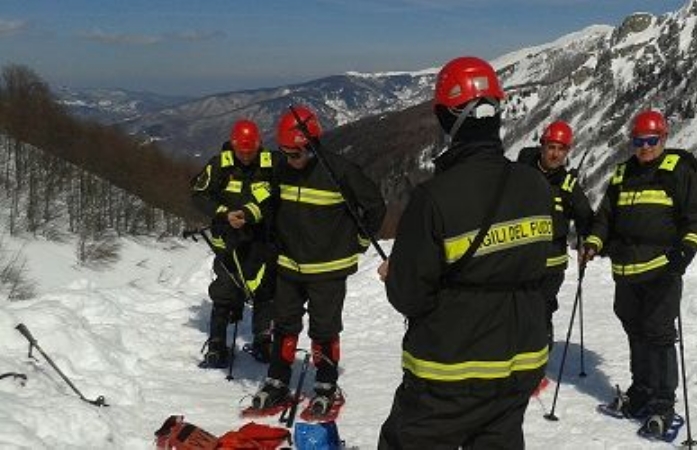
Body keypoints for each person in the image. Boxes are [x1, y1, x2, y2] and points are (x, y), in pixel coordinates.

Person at [377, 56, 554, 449]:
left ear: (447, 119)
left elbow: (410, 296)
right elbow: (531, 265)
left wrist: (398, 272)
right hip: (521, 361)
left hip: (451, 370)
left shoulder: (434, 198)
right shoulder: (536, 186)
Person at [581, 109, 697, 438]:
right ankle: (642, 390)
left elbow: (695, 218)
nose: (645, 147)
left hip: (661, 269)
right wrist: (594, 242)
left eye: (651, 141)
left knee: (659, 334)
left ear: (663, 138)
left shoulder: (677, 171)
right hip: (625, 270)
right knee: (635, 329)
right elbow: (605, 216)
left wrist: (685, 251)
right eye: (639, 141)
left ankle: (663, 404)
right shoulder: (622, 173)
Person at [251, 106, 386, 418]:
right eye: (284, 152)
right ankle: (277, 380)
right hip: (288, 266)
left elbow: (375, 207)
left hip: (328, 269)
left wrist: (359, 243)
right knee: (284, 325)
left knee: (323, 329)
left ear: (311, 146)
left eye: (295, 152)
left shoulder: (340, 172)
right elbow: (269, 202)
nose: (289, 158)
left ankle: (325, 385)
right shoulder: (282, 169)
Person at [190, 119, 277, 368]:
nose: (247, 157)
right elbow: (198, 195)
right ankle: (217, 342)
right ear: (234, 146)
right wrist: (223, 213)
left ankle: (264, 338)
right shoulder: (219, 165)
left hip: (262, 238)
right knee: (226, 287)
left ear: (259, 145)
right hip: (228, 239)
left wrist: (254, 213)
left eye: (251, 151)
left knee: (265, 288)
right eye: (242, 151)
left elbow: (279, 193)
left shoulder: (270, 164)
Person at [516, 120, 593, 347]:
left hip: (551, 264)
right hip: (520, 258)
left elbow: (586, 219)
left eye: (561, 149)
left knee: (541, 313)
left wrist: (588, 243)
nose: (555, 154)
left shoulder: (568, 186)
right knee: (515, 311)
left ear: (567, 152)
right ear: (542, 146)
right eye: (551, 147)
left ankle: (537, 368)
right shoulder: (522, 172)